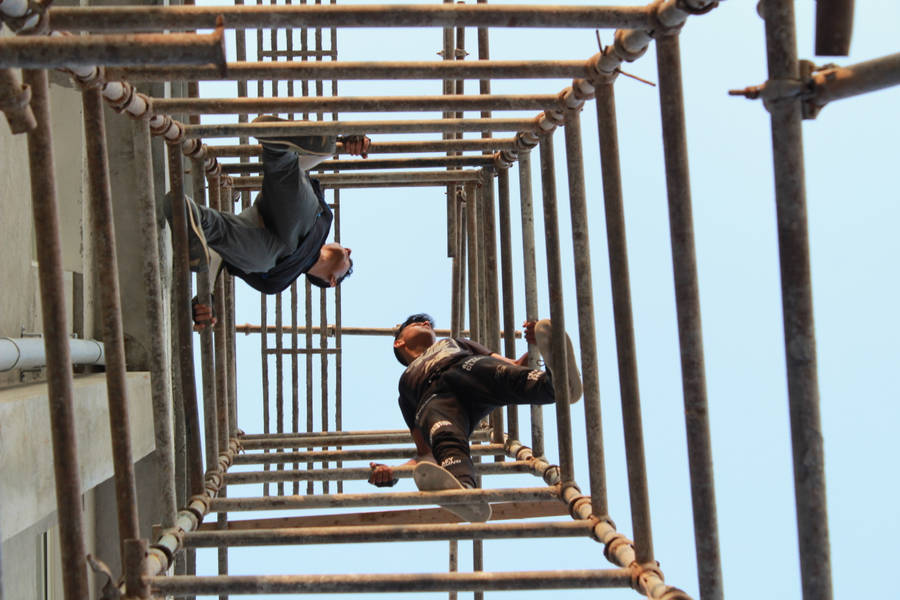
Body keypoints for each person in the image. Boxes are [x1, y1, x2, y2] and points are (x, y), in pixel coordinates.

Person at [368, 313, 582, 522]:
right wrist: (394, 472)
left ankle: (557, 386)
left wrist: (537, 345)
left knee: (503, 376)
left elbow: (514, 366)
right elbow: (427, 453)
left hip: (465, 368)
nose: (426, 323)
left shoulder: (455, 343)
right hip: (433, 400)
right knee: (444, 438)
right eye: (416, 322)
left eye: (427, 323)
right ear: (399, 342)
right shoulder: (405, 385)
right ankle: (463, 491)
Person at [166, 115, 370, 329]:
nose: (349, 250)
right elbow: (299, 173)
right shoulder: (325, 221)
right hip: (296, 218)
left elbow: (226, 256)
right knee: (291, 181)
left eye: (348, 265)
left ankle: (185, 212)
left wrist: (206, 296)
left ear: (332, 280)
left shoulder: (276, 283)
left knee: (248, 252)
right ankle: (277, 144)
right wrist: (340, 144)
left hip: (272, 257)